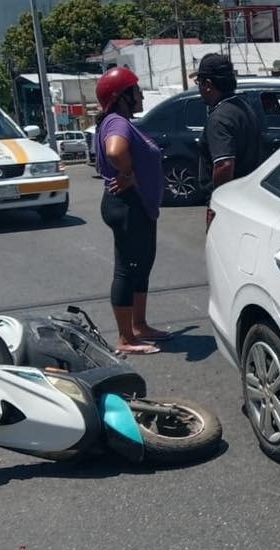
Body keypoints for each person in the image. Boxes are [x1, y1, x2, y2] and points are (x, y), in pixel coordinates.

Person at [93, 66, 169, 355]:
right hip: (127, 205)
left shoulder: (119, 121)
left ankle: (139, 326)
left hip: (136, 205)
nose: (141, 96)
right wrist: (129, 173)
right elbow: (115, 150)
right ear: (120, 97)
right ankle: (126, 338)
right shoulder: (117, 123)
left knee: (142, 265)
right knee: (128, 269)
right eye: (135, 91)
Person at [193, 53, 262, 190]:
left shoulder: (219, 118)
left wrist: (218, 197)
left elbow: (224, 165)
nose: (199, 88)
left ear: (208, 84)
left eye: (199, 83)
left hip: (231, 196)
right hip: (247, 191)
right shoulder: (242, 107)